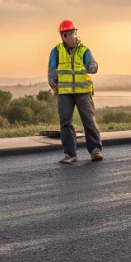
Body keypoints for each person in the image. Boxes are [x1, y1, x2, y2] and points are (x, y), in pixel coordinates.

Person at [48, 19, 101, 164]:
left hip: (83, 91)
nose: (69, 37)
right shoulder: (56, 51)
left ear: (75, 33)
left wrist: (92, 66)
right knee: (65, 123)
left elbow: (92, 65)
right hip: (64, 92)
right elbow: (52, 68)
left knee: (89, 121)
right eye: (65, 34)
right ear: (62, 36)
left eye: (71, 33)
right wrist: (52, 81)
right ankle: (70, 154)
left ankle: (95, 151)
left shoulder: (84, 50)